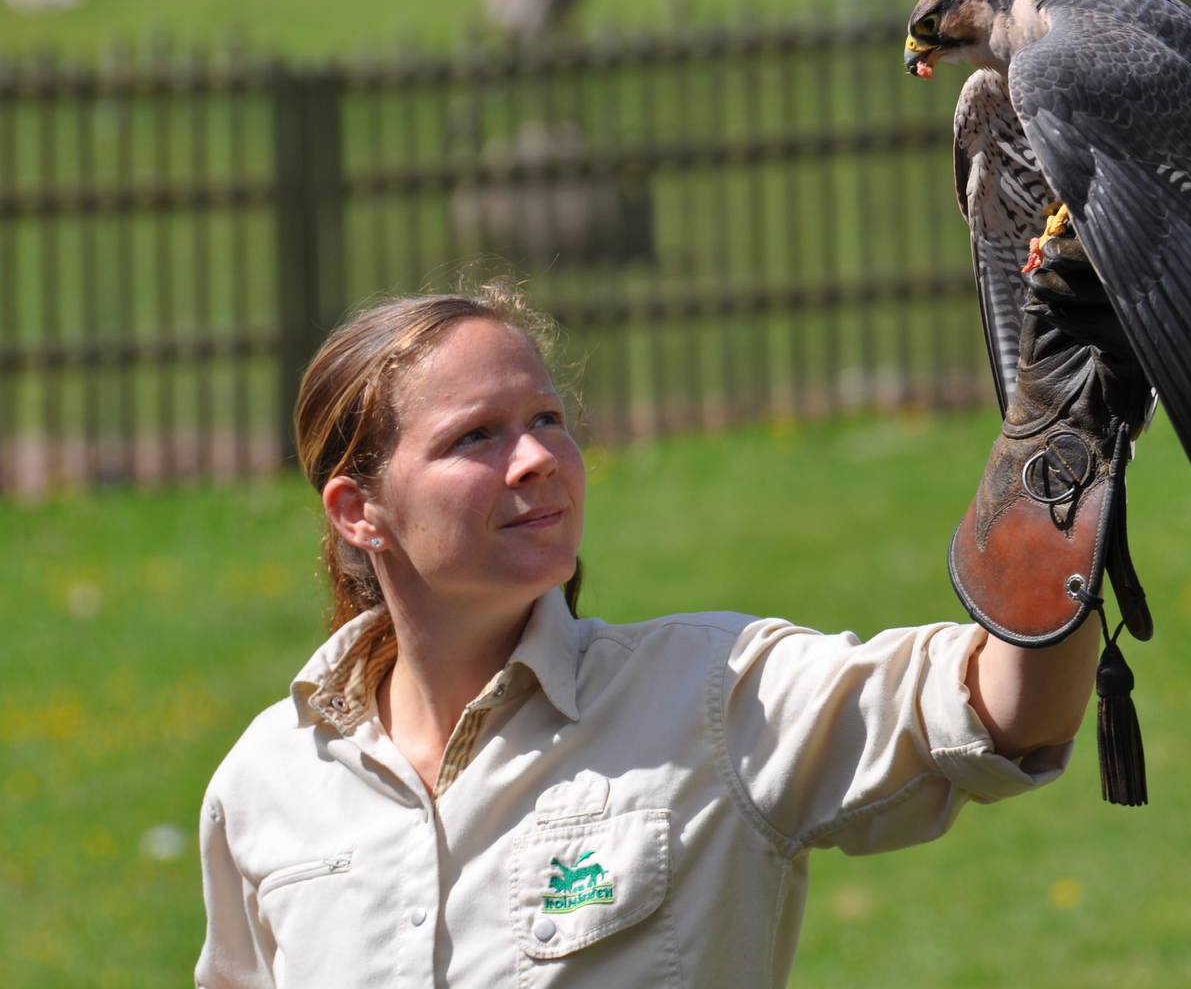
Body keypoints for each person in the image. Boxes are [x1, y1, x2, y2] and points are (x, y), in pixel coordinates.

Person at [196, 282, 1102, 987]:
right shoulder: (267, 782)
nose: (537, 458)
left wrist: (1068, 465)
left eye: (547, 420)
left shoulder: (710, 695)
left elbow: (1001, 710)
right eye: (476, 436)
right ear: (359, 512)